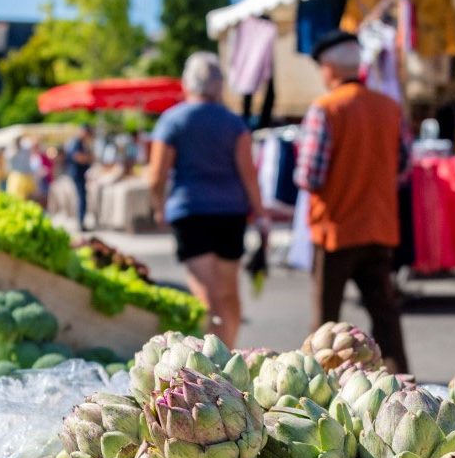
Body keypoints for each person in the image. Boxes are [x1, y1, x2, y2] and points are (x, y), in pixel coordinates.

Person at [294, 29, 409, 373]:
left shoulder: (326, 109)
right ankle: (400, 379)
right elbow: (404, 165)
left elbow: (309, 176)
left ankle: (313, 384)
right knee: (385, 315)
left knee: (325, 321)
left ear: (329, 68)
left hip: (336, 230)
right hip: (379, 225)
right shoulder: (389, 108)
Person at [148, 51, 269, 347]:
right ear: (219, 85)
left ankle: (212, 359)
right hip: (231, 212)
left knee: (204, 291)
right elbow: (248, 173)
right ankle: (229, 349)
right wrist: (260, 212)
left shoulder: (172, 120)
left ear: (187, 83)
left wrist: (158, 208)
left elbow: (156, 176)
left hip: (190, 212)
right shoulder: (234, 123)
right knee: (228, 289)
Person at [65, 125, 94, 230]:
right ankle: (80, 223)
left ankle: (81, 222)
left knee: (82, 198)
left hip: (80, 173)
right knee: (82, 198)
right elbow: (78, 157)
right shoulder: (76, 142)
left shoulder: (81, 143)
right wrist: (88, 158)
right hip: (77, 174)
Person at [5, 136, 37, 200]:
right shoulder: (11, 151)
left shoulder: (25, 149)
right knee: (16, 198)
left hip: (26, 176)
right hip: (16, 177)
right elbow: (9, 161)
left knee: (29, 197)